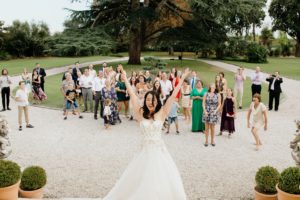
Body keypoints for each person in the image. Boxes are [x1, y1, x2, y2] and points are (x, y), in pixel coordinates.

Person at [101, 68, 190, 200]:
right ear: (145, 101)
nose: (150, 102)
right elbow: (132, 95)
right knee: (142, 180)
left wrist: (181, 79)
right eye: (148, 99)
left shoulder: (162, 112)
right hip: (144, 152)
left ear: (157, 101)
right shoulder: (140, 114)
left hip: (160, 153)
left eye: (153, 100)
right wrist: (125, 78)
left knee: (161, 180)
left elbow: (172, 96)